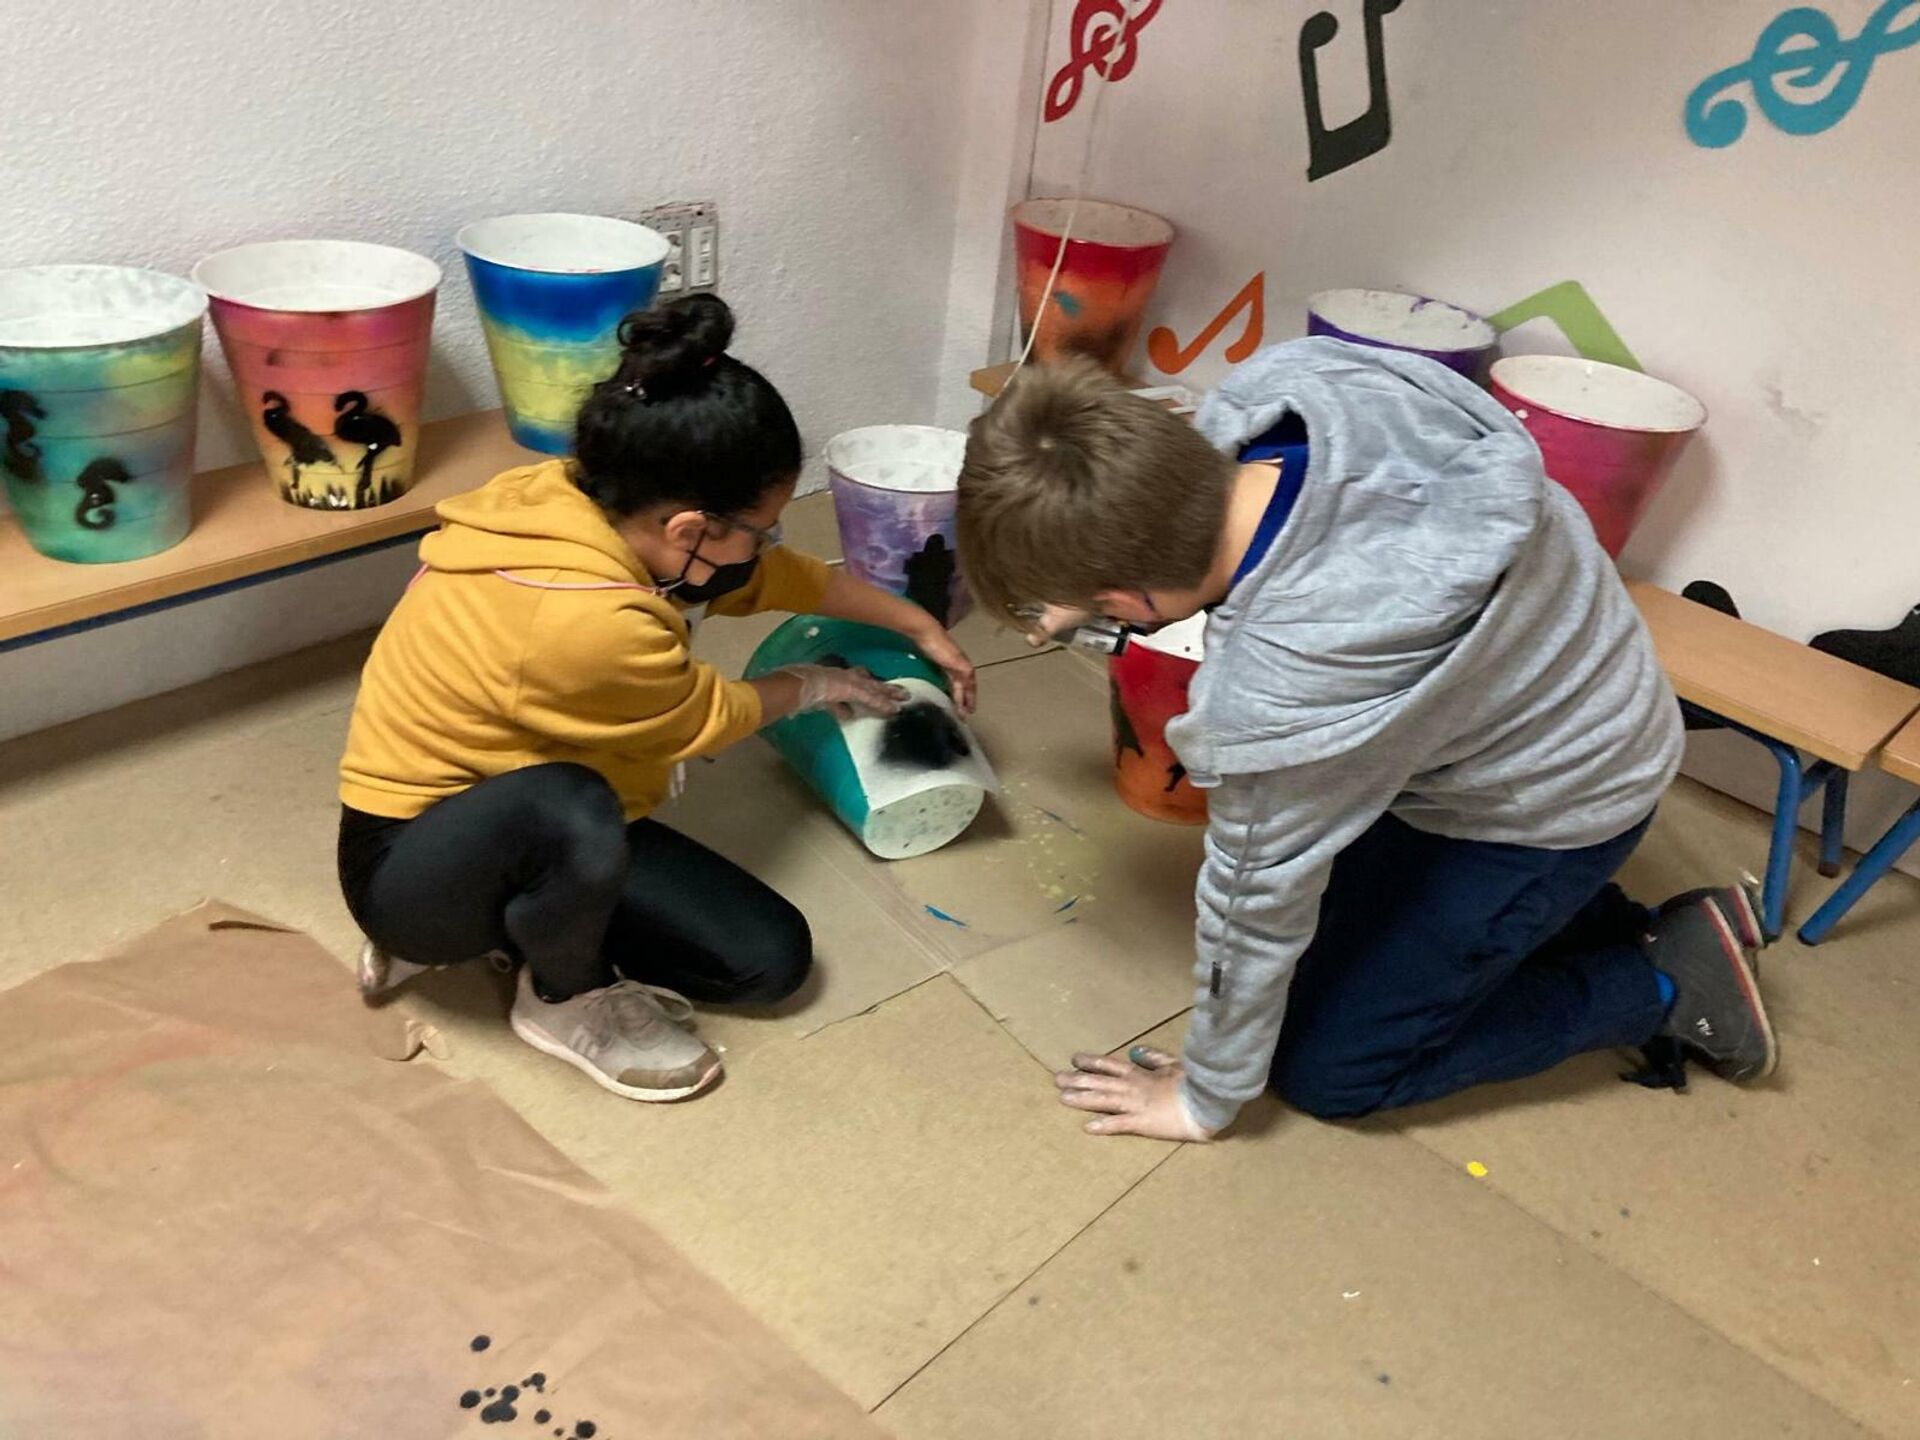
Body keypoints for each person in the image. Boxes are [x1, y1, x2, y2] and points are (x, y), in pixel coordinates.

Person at [956, 340, 1773, 1142]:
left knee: (1327, 1067)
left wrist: (1207, 1093)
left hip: (1554, 801)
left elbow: (1253, 903)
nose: (1045, 634)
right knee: (1338, 961)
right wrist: (1073, 596)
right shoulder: (1311, 388)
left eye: (1060, 616)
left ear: (1121, 596)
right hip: (1583, 701)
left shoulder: (1284, 693)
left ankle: (1663, 982)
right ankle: (1619, 920)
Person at [337, 294, 975, 1103]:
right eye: (762, 525)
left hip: (515, 808)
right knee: (573, 807)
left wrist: (916, 620)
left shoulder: (598, 499)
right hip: (413, 865)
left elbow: (776, 576)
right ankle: (560, 998)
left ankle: (526, 922)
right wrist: (818, 685)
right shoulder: (583, 617)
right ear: (688, 529)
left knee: (766, 961)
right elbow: (701, 719)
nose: (770, 542)